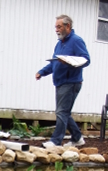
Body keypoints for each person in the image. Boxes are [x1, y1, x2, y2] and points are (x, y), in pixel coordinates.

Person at [36, 15, 90, 149]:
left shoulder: (76, 41)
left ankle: (55, 141)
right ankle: (77, 138)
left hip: (71, 82)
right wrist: (42, 72)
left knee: (61, 112)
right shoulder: (59, 44)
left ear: (68, 26)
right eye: (56, 27)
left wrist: (69, 61)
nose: (56, 30)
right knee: (64, 112)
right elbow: (54, 64)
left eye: (59, 27)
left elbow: (86, 59)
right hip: (60, 82)